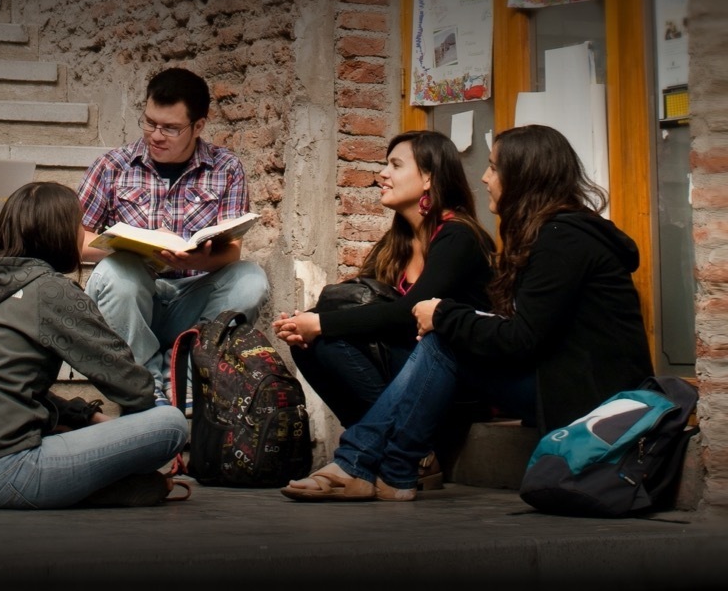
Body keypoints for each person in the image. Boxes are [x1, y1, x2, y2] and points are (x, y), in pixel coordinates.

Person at [281, 123, 653, 502]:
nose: (485, 177)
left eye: (494, 167)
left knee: (443, 339)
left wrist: (443, 315)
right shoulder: (548, 235)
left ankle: (367, 465)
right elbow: (527, 330)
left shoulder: (561, 240)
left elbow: (521, 339)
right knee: (357, 340)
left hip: (595, 401)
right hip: (556, 380)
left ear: (524, 176)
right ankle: (389, 468)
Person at [0, 182, 190, 509]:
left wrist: (85, 417)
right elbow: (129, 384)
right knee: (170, 425)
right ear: (59, 234)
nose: (82, 234)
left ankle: (105, 488)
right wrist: (141, 427)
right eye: (79, 225)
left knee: (68, 429)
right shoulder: (50, 292)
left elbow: (4, 383)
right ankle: (116, 489)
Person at [271, 131, 495, 486]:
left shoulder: (459, 237)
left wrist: (321, 323)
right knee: (308, 344)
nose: (383, 174)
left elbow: (406, 314)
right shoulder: (398, 243)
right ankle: (405, 451)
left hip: (455, 380)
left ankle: (382, 453)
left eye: (395, 164)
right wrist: (305, 324)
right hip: (409, 374)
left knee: (326, 336)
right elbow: (364, 304)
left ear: (428, 178)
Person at [78, 67, 269, 406]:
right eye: (150, 122)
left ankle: (186, 371)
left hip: (190, 298)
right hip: (132, 303)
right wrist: (133, 250)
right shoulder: (112, 166)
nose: (156, 135)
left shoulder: (226, 168)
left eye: (170, 128)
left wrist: (198, 259)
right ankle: (146, 389)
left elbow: (232, 251)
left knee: (251, 279)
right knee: (115, 274)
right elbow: (75, 239)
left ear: (199, 126)